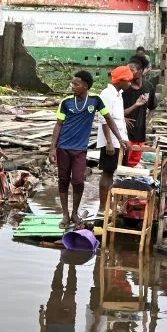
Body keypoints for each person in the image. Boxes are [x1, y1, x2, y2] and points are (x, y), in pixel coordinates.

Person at [49, 71, 124, 229]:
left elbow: (108, 119)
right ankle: (65, 215)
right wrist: (52, 148)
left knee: (78, 180)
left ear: (85, 86)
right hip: (63, 147)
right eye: (72, 83)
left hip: (80, 150)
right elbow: (58, 125)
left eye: (75, 84)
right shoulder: (66, 102)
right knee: (63, 180)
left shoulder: (95, 100)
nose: (72, 86)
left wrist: (119, 138)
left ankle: (74, 213)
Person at [96, 66, 138, 215]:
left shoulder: (118, 95)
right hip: (111, 141)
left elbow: (119, 120)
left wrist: (124, 139)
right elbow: (104, 119)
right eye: (128, 81)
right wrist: (109, 142)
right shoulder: (107, 94)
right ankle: (102, 208)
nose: (130, 84)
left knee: (116, 172)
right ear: (120, 80)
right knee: (107, 172)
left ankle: (112, 205)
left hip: (119, 140)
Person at [121, 53, 157, 166]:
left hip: (140, 134)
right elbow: (113, 110)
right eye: (127, 70)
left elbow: (153, 107)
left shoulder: (148, 87)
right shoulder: (124, 88)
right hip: (125, 133)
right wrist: (122, 118)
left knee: (134, 164)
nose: (128, 73)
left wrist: (147, 121)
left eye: (131, 70)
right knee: (123, 164)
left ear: (140, 71)